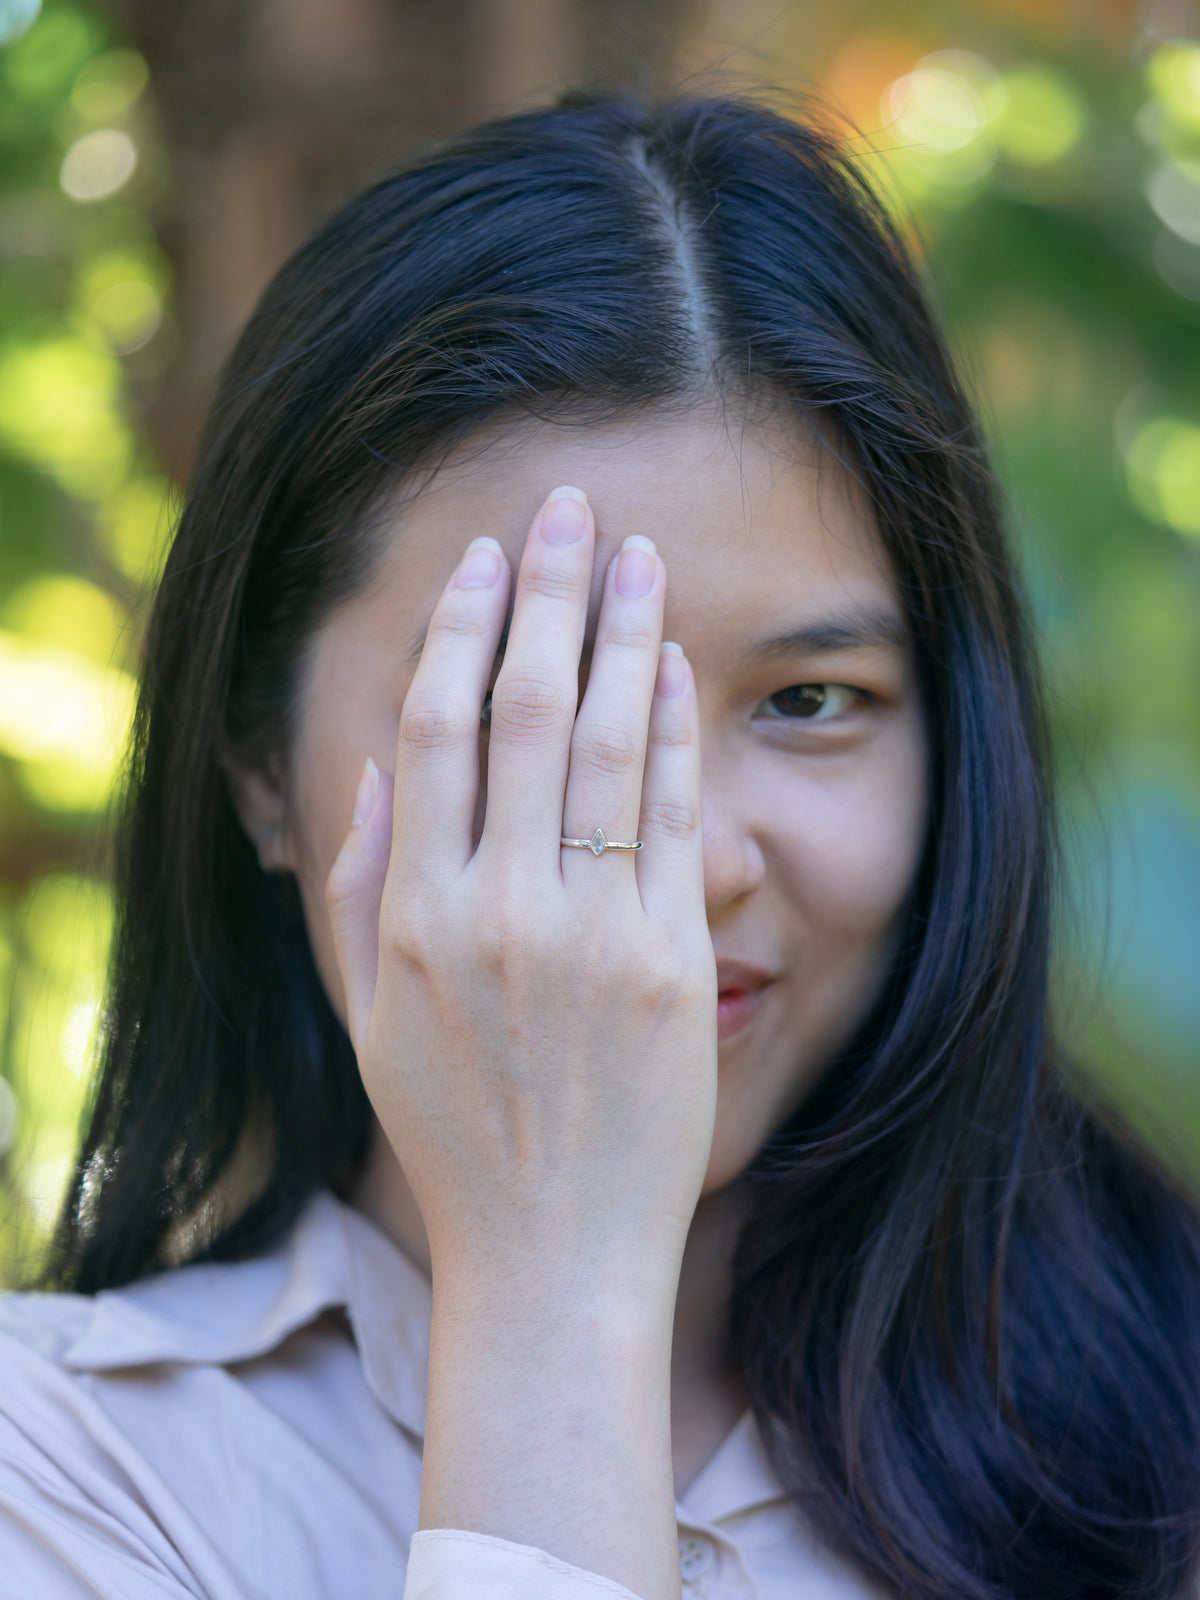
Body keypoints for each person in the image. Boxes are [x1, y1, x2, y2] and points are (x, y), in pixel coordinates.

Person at [0, 90, 1196, 1600]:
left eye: (814, 700)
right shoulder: (64, 1475)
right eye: (535, 702)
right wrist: (552, 1292)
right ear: (256, 769)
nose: (686, 864)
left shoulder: (1164, 1463)